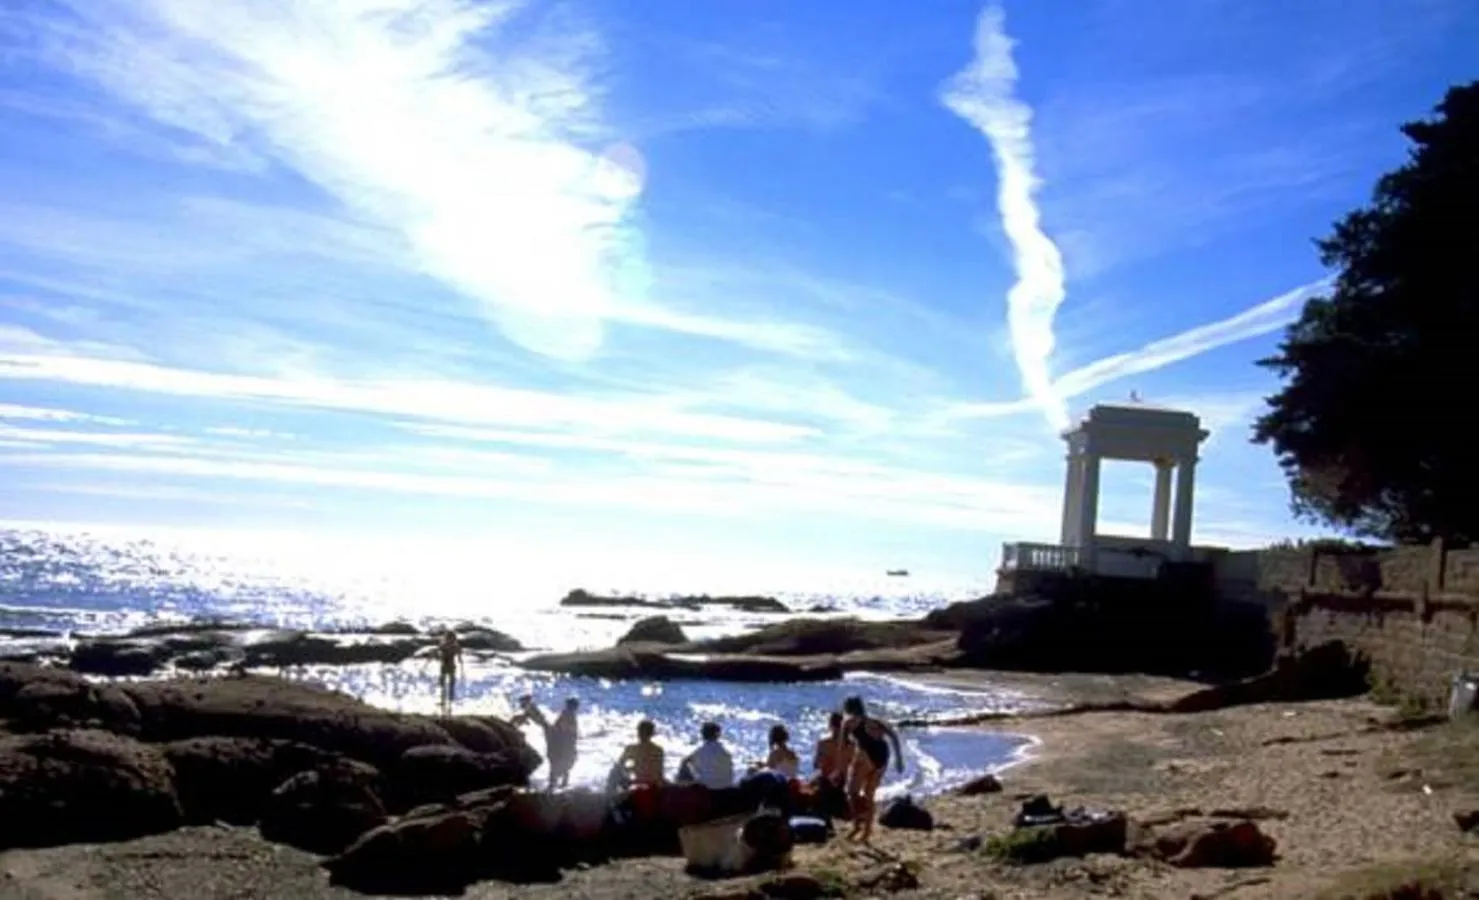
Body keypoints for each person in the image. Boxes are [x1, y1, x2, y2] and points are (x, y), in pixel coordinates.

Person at [840, 695, 904, 843]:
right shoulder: (874, 721)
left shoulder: (848, 722)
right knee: (869, 794)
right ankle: (866, 832)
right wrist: (899, 759)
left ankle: (858, 824)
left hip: (867, 756)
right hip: (882, 755)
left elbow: (842, 747)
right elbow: (893, 735)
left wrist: (841, 768)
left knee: (851, 792)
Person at [514, 695, 581, 791]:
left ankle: (529, 706)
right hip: (559, 742)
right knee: (544, 723)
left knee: (543, 723)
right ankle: (553, 788)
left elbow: (568, 732)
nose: (568, 708)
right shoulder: (568, 715)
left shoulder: (568, 715)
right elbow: (566, 731)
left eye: (569, 706)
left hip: (560, 743)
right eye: (568, 706)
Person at [677, 721, 734, 790]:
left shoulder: (700, 752)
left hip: (707, 787)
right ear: (718, 735)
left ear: (703, 735)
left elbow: (688, 762)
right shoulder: (725, 753)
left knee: (685, 763)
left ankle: (679, 791)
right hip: (725, 787)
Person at [616, 719, 666, 787]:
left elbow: (620, 765)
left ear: (638, 732)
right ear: (651, 734)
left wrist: (629, 771)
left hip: (643, 785)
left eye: (641, 731)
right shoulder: (658, 750)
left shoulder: (631, 749)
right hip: (653, 786)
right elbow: (659, 774)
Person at [436, 631, 464, 715]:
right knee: (445, 685)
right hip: (447, 667)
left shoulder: (446, 645)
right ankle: (445, 701)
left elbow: (438, 653)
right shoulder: (453, 646)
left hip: (448, 667)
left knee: (447, 685)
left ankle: (448, 702)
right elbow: (459, 657)